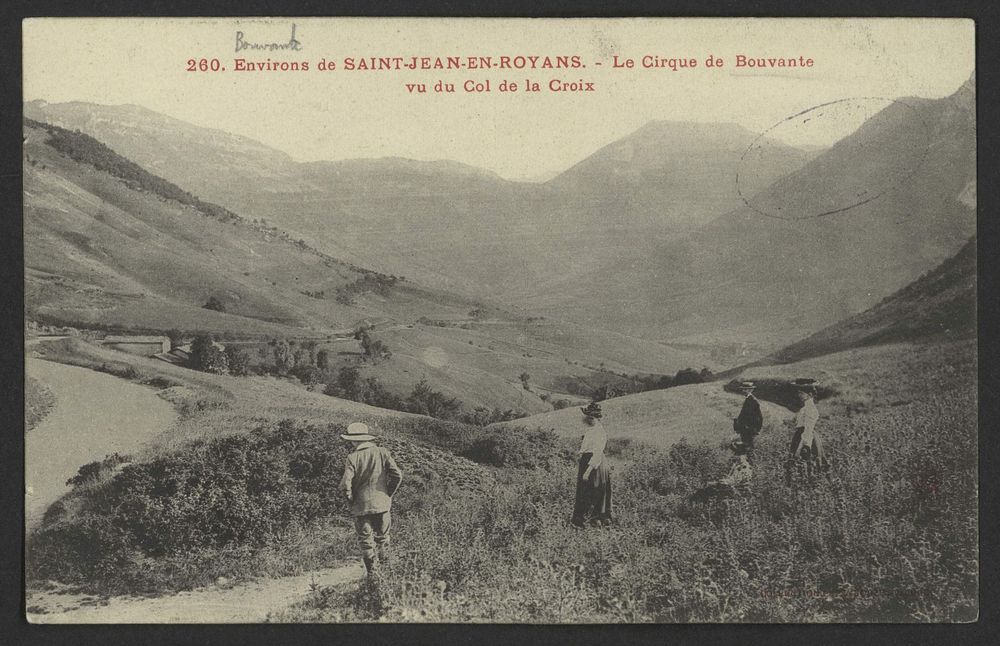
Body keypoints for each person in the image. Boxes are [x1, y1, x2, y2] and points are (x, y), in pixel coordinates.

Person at [339, 422, 403, 575]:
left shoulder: (352, 458)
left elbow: (345, 485)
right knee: (383, 538)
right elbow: (397, 475)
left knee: (366, 543)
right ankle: (387, 575)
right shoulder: (382, 452)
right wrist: (388, 494)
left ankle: (373, 576)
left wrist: (351, 501)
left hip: (361, 507)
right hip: (382, 503)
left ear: (354, 441)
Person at [571, 401, 612, 527]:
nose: (588, 419)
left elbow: (597, 453)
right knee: (588, 492)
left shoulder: (599, 432)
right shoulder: (592, 430)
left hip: (594, 464)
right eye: (588, 416)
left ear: (597, 418)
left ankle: (593, 521)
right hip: (588, 462)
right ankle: (584, 521)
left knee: (593, 491)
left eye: (591, 417)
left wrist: (588, 471)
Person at [785, 378, 829, 484]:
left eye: (801, 393)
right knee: (805, 465)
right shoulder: (806, 407)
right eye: (798, 392)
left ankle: (806, 483)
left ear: (809, 394)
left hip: (805, 437)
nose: (799, 395)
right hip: (802, 435)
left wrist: (805, 445)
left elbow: (808, 429)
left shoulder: (810, 408)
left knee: (806, 463)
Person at [732, 380, 763, 454]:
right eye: (743, 389)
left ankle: (750, 461)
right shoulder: (748, 399)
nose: (743, 390)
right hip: (746, 428)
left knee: (748, 446)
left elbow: (758, 417)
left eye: (745, 389)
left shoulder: (752, 400)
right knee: (746, 445)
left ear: (751, 390)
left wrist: (755, 429)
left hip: (749, 428)